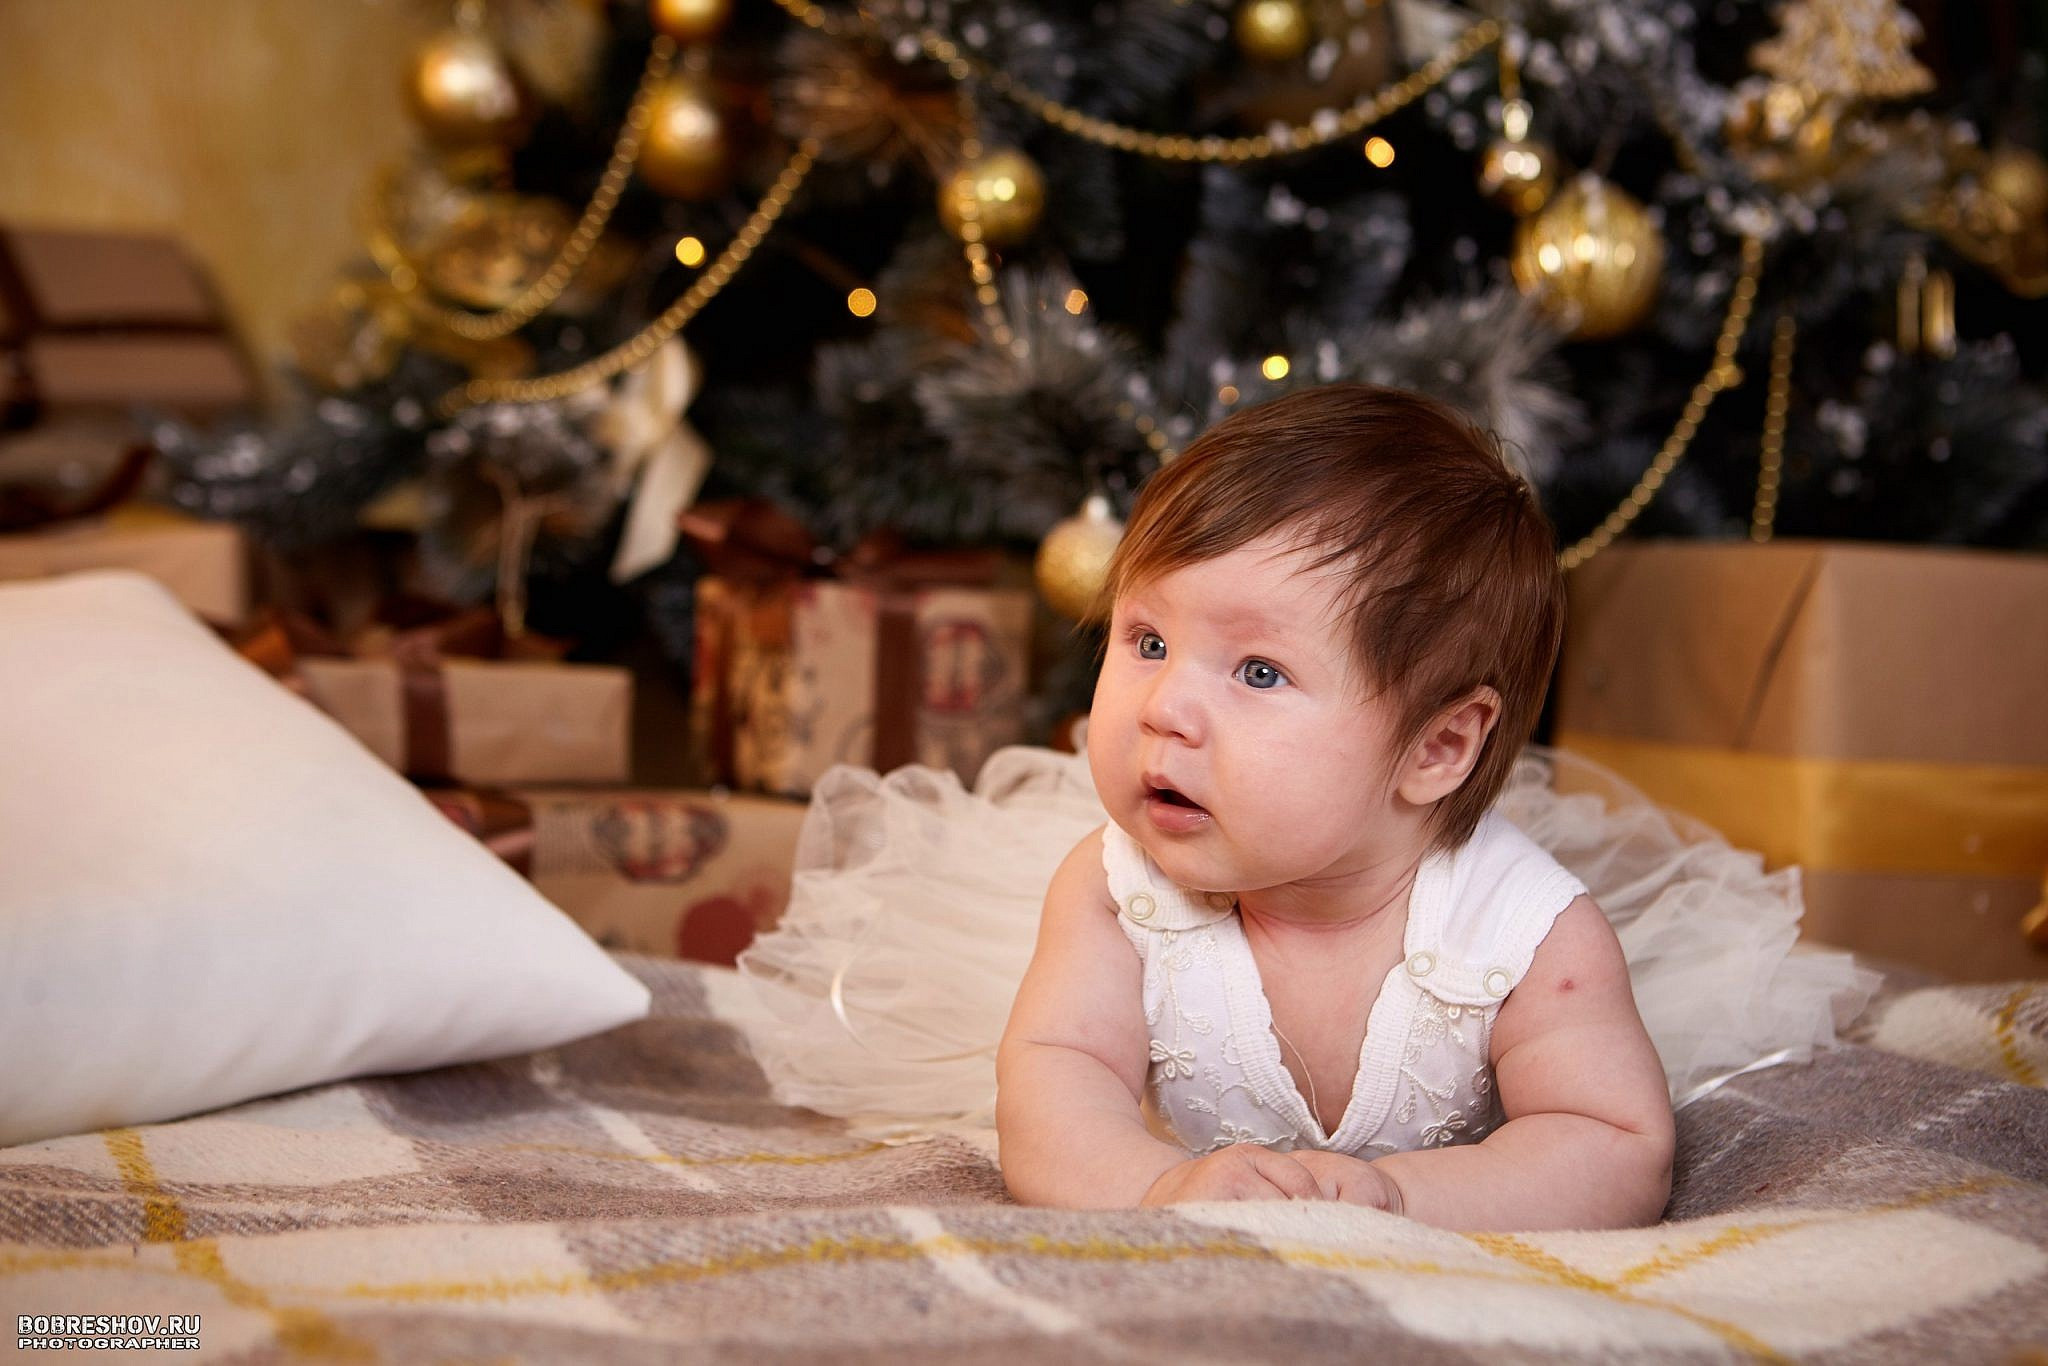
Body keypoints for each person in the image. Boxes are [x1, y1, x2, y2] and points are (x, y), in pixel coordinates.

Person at [726, 385, 1876, 1230]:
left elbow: (1613, 1146)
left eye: (1258, 673)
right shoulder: (1112, 889)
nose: (1163, 706)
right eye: (1146, 638)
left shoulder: (1520, 932)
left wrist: (1396, 1193)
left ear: (1434, 747)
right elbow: (1053, 1087)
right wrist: (1152, 1184)